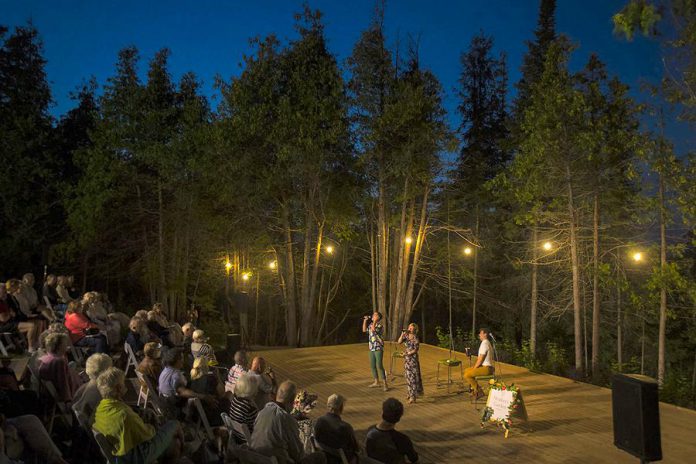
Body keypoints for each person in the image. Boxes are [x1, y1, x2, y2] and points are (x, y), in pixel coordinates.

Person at [94, 367, 184, 463]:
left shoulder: (101, 408)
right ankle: (184, 450)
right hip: (137, 456)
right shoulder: (124, 415)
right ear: (118, 388)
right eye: (123, 382)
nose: (125, 384)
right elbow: (149, 434)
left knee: (171, 440)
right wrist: (152, 426)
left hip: (122, 455)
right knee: (175, 424)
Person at [250, 380, 325, 464]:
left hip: (257, 457)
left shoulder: (262, 411)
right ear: (291, 401)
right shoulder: (286, 419)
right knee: (320, 456)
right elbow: (298, 454)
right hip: (276, 460)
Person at [365, 398, 418, 464]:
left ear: (382, 413)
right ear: (399, 418)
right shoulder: (402, 439)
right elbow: (414, 458)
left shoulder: (370, 431)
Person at [313, 394, 359, 464]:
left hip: (324, 458)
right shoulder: (345, 427)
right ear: (341, 408)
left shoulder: (318, 421)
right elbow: (355, 447)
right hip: (340, 460)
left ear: (328, 405)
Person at [38, 333, 82, 402]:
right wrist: (68, 400)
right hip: (74, 393)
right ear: (59, 346)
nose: (67, 346)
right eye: (64, 344)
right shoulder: (58, 361)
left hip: (73, 387)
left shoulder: (46, 358)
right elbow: (63, 383)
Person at [73, 353, 113, 424]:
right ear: (107, 371)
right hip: (103, 424)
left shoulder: (83, 388)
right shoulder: (104, 390)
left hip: (89, 426)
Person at [0, 283, 38, 352]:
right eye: (4, 290)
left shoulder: (3, 301)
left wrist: (11, 314)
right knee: (31, 326)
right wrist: (10, 314)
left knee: (33, 325)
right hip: (3, 326)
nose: (6, 292)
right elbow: (3, 319)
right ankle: (30, 347)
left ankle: (30, 345)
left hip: (9, 323)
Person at [228, 373, 259, 444]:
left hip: (235, 435)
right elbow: (257, 427)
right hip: (246, 439)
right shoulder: (250, 409)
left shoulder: (235, 399)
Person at [464, 327, 494, 399]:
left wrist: (475, 368)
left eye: (481, 333)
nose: (479, 334)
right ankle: (474, 390)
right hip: (485, 367)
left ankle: (479, 391)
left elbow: (481, 359)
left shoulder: (485, 343)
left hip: (487, 368)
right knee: (467, 370)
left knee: (467, 375)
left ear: (485, 334)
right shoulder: (486, 343)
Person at [397, 323, 423, 404]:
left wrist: (407, 354)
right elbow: (399, 342)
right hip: (407, 359)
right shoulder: (406, 336)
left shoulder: (415, 338)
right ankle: (410, 393)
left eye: (411, 328)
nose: (409, 329)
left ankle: (413, 396)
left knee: (412, 378)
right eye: (409, 327)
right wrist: (402, 334)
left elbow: (415, 350)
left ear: (414, 330)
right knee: (408, 377)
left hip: (413, 359)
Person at [362, 311, 388, 391]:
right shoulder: (370, 324)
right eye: (373, 314)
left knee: (379, 365)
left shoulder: (380, 325)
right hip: (371, 347)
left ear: (378, 317)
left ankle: (385, 383)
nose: (373, 315)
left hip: (378, 347)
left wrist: (375, 321)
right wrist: (365, 320)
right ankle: (376, 382)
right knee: (372, 365)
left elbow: (373, 330)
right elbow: (364, 330)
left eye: (375, 315)